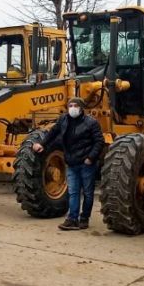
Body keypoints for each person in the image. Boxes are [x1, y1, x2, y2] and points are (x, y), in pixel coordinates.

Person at [32, 97, 103, 230]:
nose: (72, 108)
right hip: (71, 163)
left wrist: (90, 158)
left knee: (87, 193)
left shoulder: (91, 123)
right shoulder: (63, 120)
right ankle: (72, 219)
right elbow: (53, 132)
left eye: (75, 105)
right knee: (73, 192)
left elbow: (99, 141)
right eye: (70, 105)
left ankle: (84, 218)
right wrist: (42, 144)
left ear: (81, 108)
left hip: (86, 163)